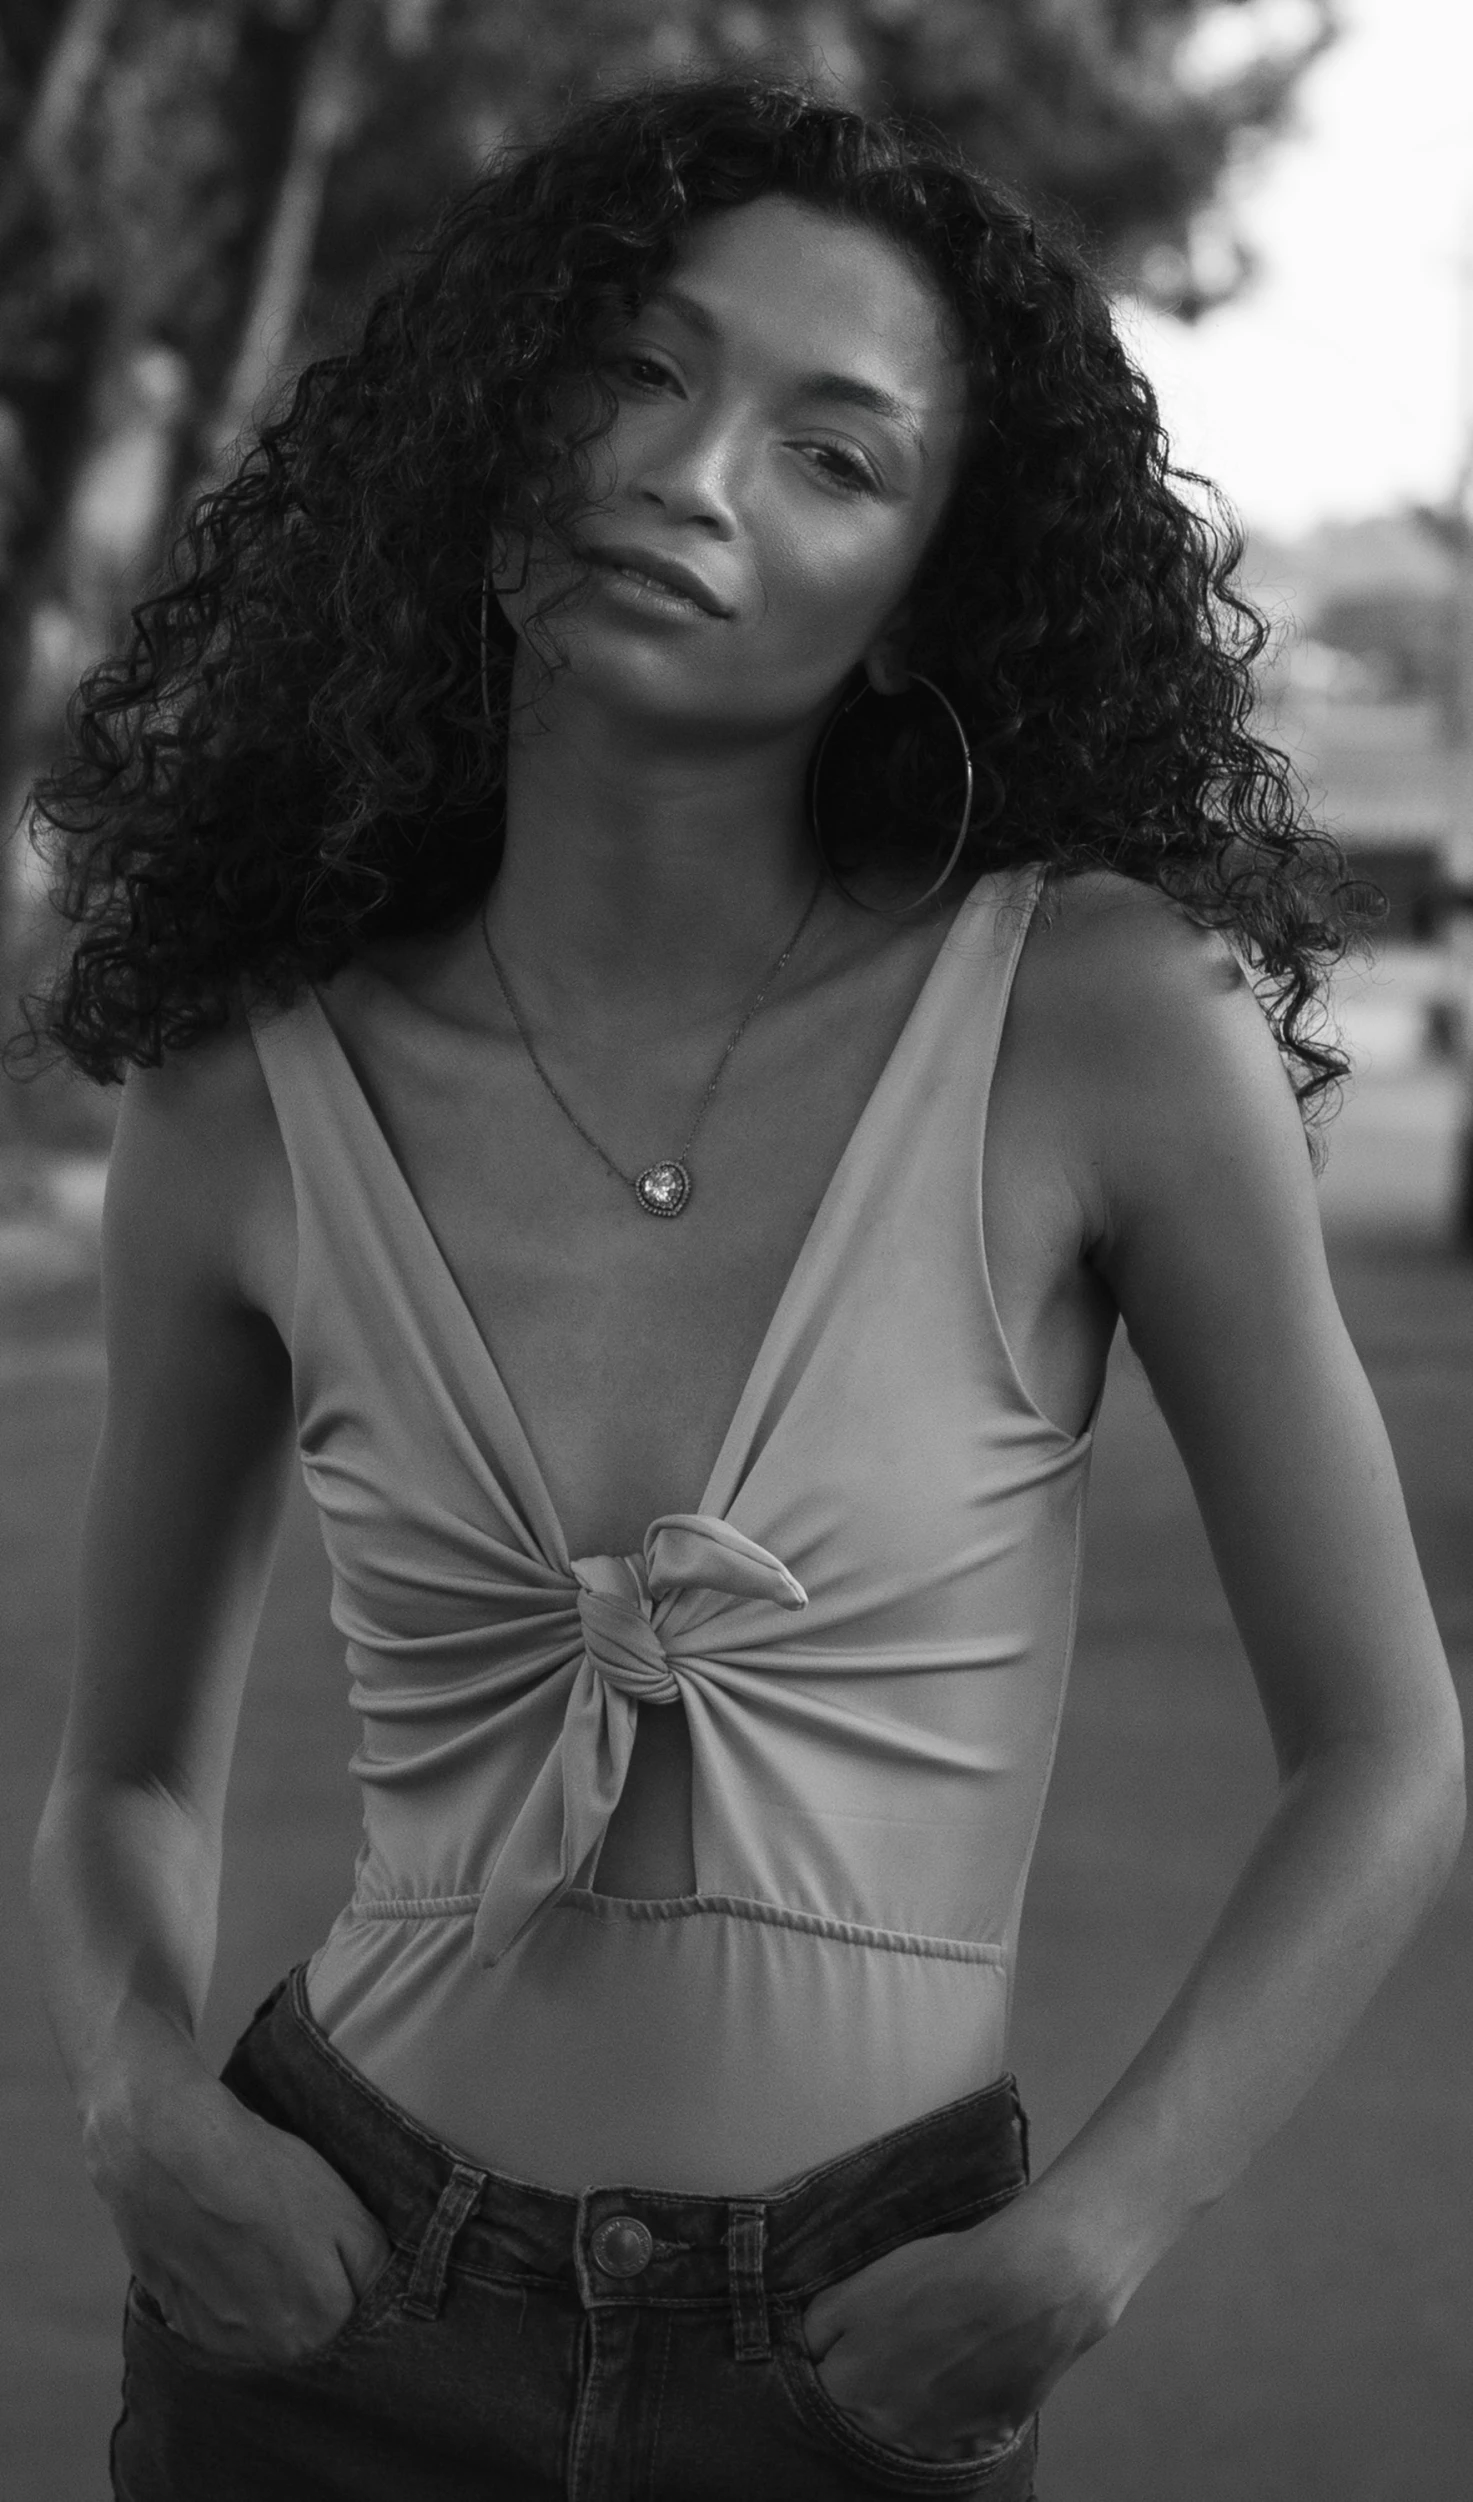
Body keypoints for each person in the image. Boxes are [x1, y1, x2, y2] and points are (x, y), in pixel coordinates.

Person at [25, 74, 1463, 2502]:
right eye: (645, 372)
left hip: (864, 2352)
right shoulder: (239, 1099)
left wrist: (1086, 2241)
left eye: (836, 455)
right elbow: (127, 1777)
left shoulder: (1099, 1025)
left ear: (928, 582)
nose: (694, 479)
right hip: (324, 2317)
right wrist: (145, 2110)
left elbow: (1388, 1753)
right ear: (498, 429)